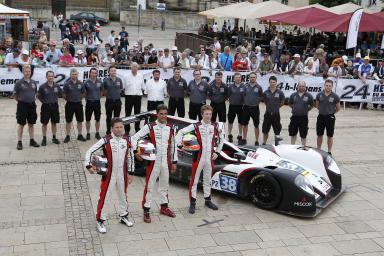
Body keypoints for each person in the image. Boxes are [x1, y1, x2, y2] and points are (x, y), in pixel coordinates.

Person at [84, 117, 134, 233]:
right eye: (116, 127)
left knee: (123, 195)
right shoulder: (106, 140)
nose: (119, 129)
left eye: (121, 127)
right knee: (105, 197)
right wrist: (88, 166)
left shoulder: (127, 140)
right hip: (108, 175)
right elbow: (90, 151)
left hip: (122, 174)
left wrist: (130, 172)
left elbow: (130, 156)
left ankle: (123, 215)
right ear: (112, 128)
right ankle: (100, 220)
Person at [131, 105, 177, 223]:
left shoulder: (171, 127)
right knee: (150, 186)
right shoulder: (150, 126)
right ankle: (146, 210)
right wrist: (137, 151)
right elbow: (134, 138)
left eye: (165, 114)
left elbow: (173, 146)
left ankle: (164, 207)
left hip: (166, 162)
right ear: (157, 114)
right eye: (161, 114)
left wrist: (174, 161)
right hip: (153, 162)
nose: (163, 116)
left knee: (164, 186)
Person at [175, 105, 224, 214]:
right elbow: (181, 132)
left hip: (210, 158)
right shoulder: (195, 126)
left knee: (208, 180)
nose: (208, 116)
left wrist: (217, 152)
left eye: (210, 114)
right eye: (206, 114)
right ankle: (192, 203)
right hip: (198, 158)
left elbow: (222, 139)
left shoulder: (215, 126)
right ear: (202, 114)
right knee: (194, 181)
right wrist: (179, 145)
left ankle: (208, 200)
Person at [13, 65, 40, 150]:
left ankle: (32, 140)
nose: (28, 73)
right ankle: (19, 142)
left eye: (29, 72)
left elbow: (35, 93)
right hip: (22, 105)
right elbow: (15, 95)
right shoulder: (19, 83)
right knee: (21, 124)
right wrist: (21, 102)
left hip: (32, 105)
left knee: (31, 123)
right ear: (23, 72)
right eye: (26, 71)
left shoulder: (33, 82)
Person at [315, 80, 341, 155]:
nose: (328, 87)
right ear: (324, 85)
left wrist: (331, 113)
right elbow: (317, 105)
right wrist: (323, 111)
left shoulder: (335, 96)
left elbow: (338, 108)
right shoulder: (319, 95)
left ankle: (329, 151)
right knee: (319, 134)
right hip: (321, 117)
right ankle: (318, 149)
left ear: (332, 87)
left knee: (330, 135)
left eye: (330, 86)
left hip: (330, 118)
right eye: (327, 85)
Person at [37, 71, 62, 146]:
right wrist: (44, 102)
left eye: (52, 76)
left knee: (54, 123)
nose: (51, 77)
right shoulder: (42, 87)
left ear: (54, 77)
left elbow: (60, 94)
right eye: (49, 76)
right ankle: (44, 138)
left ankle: (54, 138)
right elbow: (39, 96)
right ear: (46, 77)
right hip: (45, 106)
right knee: (44, 123)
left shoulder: (57, 86)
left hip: (54, 106)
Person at [63, 68, 86, 143]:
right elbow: (64, 94)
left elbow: (83, 93)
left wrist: (78, 99)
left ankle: (79, 135)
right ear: (70, 75)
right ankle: (68, 136)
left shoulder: (81, 83)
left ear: (77, 75)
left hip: (78, 104)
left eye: (75, 74)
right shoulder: (67, 84)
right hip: (69, 104)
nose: (74, 75)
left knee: (80, 120)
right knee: (68, 121)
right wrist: (70, 99)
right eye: (73, 74)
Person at [288, 81, 314, 146]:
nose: (301, 87)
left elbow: (312, 105)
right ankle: (292, 146)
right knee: (293, 133)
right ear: (297, 87)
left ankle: (303, 147)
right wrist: (294, 108)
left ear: (305, 87)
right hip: (294, 117)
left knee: (303, 134)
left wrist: (307, 110)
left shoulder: (309, 96)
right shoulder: (293, 95)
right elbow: (290, 103)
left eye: (303, 86)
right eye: (300, 86)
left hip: (304, 118)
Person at [262, 76, 285, 145]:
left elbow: (282, 102)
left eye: (274, 82)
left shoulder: (280, 92)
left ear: (276, 83)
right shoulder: (266, 92)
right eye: (271, 82)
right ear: (269, 83)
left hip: (276, 114)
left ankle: (277, 144)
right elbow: (265, 101)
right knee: (265, 130)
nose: (272, 83)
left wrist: (276, 107)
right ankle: (264, 143)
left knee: (277, 130)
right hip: (268, 114)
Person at [241, 72, 262, 146]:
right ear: (249, 78)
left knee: (256, 125)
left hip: (255, 108)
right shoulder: (245, 86)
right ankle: (244, 139)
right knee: (244, 124)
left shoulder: (259, 87)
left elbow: (260, 97)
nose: (252, 78)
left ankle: (256, 140)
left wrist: (255, 103)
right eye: (251, 77)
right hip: (246, 107)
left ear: (256, 78)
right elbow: (243, 96)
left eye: (254, 77)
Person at [124, 62, 145, 134]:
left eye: (136, 66)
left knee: (137, 114)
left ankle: (137, 128)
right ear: (131, 67)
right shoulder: (126, 76)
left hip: (138, 97)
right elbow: (124, 87)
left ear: (137, 68)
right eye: (133, 66)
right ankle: (127, 130)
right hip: (129, 97)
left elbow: (142, 87)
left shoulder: (141, 76)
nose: (135, 68)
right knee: (128, 113)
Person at [103, 66, 123, 135]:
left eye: (114, 71)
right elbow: (104, 91)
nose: (113, 72)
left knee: (117, 118)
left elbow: (120, 89)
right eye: (112, 71)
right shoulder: (106, 80)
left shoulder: (119, 80)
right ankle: (108, 131)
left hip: (118, 101)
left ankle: (116, 132)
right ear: (109, 72)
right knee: (108, 117)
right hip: (109, 101)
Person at [84, 68, 102, 140]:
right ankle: (88, 133)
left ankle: (97, 133)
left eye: (95, 73)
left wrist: (97, 97)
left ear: (97, 74)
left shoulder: (100, 82)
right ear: (90, 73)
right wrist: (88, 99)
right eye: (92, 73)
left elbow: (101, 91)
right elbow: (84, 93)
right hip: (89, 102)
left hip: (97, 102)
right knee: (88, 119)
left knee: (97, 119)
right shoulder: (86, 82)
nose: (94, 74)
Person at [227, 73, 244, 144]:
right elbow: (227, 96)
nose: (238, 79)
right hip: (232, 106)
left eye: (239, 77)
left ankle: (240, 135)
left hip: (241, 106)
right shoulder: (230, 87)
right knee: (230, 121)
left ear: (241, 78)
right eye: (236, 77)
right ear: (234, 79)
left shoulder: (244, 86)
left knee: (241, 122)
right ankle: (230, 135)